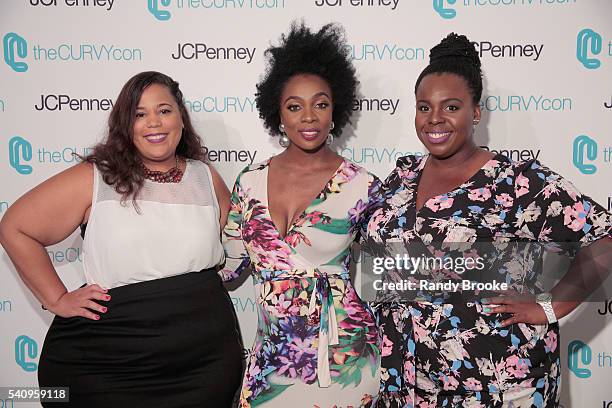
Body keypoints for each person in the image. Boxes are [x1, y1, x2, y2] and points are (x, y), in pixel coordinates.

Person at [367, 34, 612, 407]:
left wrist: (548, 307)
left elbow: (603, 236)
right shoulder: (402, 177)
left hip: (493, 383)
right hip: (408, 381)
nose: (435, 119)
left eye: (451, 107)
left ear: (476, 112)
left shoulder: (515, 182)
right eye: (423, 107)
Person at [0, 71, 243, 407]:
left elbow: (240, 246)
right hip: (109, 361)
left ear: (181, 119)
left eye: (164, 110)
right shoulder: (96, 177)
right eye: (140, 114)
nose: (154, 123)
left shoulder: (205, 177)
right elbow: (16, 227)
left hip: (202, 362)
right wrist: (57, 298)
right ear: (125, 125)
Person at [220, 22, 381, 407]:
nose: (308, 117)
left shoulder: (364, 186)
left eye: (320, 104)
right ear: (277, 111)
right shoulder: (250, 181)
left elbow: (391, 278)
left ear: (335, 109)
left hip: (345, 358)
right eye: (295, 106)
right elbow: (226, 268)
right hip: (271, 361)